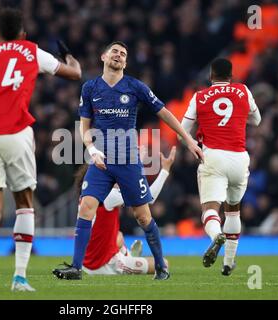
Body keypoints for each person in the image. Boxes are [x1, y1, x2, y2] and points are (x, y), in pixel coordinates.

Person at [0, 8, 81, 292]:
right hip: (15, 132)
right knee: (24, 205)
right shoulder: (30, 51)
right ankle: (19, 278)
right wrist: (69, 56)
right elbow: (75, 74)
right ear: (23, 34)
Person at [52, 41, 203, 280]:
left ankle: (162, 269)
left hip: (128, 161)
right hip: (101, 161)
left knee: (143, 216)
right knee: (86, 206)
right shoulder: (90, 88)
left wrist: (188, 140)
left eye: (123, 54)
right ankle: (76, 268)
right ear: (103, 56)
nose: (119, 56)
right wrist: (91, 148)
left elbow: (163, 112)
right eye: (115, 51)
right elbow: (84, 126)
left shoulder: (135, 86)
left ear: (126, 62)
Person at [181, 58, 261, 276]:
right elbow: (257, 120)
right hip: (239, 158)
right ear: (231, 75)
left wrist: (192, 145)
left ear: (211, 76)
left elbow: (182, 129)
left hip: (213, 157)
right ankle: (228, 263)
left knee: (210, 211)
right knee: (233, 210)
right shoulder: (243, 90)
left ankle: (216, 236)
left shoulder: (199, 97)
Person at [81, 147, 176, 275]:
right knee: (164, 263)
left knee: (118, 236)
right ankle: (129, 257)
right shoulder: (111, 195)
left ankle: (126, 254)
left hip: (85, 263)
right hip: (106, 265)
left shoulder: (89, 195)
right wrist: (165, 170)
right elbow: (149, 197)